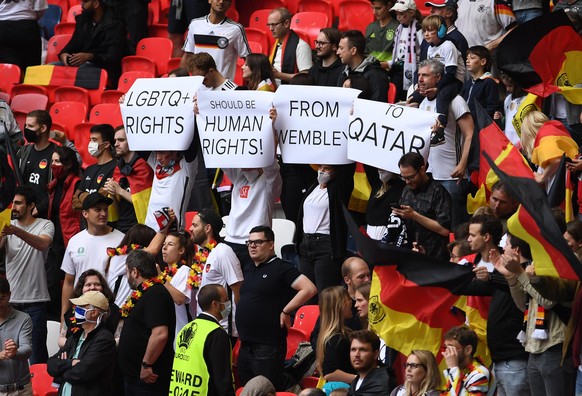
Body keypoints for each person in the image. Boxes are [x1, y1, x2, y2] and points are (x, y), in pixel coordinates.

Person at [236, 225, 317, 390]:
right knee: (248, 391)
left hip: (267, 347)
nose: (252, 246)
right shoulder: (249, 267)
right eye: (249, 242)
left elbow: (309, 288)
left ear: (271, 244)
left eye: (258, 242)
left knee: (267, 390)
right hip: (245, 346)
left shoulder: (281, 267)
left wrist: (286, 310)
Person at [497, 244, 567, 395]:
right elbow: (523, 305)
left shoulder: (550, 265)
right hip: (533, 348)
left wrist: (521, 273)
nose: (503, 248)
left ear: (517, 248)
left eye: (507, 243)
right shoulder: (530, 266)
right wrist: (511, 278)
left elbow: (547, 301)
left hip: (552, 345)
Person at [0, 185, 54, 364]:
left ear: (31, 206)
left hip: (35, 302)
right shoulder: (7, 225)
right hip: (10, 302)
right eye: (13, 203)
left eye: (18, 203)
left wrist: (16, 231)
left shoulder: (45, 224)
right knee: (8, 355)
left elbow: (42, 244)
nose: (13, 207)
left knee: (37, 357)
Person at [118, 249, 176, 395]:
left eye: (127, 271)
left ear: (135, 272)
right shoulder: (144, 293)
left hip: (148, 381)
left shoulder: (155, 294)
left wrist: (146, 364)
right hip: (136, 379)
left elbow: (160, 334)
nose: (126, 276)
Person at [61, 193, 124, 321]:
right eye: (97, 210)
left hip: (110, 312)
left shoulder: (121, 240)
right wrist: (64, 317)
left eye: (105, 209)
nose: (103, 213)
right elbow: (68, 282)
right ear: (85, 214)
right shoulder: (75, 241)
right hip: (80, 311)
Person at [297, 164, 355, 295]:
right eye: (320, 167)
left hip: (325, 246)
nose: (322, 171)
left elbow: (348, 169)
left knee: (326, 293)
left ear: (336, 171)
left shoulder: (339, 188)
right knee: (307, 293)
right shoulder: (313, 187)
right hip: (305, 245)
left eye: (327, 168)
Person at [169, 284, 235, 396]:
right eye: (226, 299)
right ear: (215, 304)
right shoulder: (216, 334)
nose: (229, 303)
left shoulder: (187, 328)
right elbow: (223, 379)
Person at [47, 291, 116, 395]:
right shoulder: (75, 336)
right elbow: (51, 364)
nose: (76, 310)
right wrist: (70, 363)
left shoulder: (105, 339)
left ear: (94, 312)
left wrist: (60, 372)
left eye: (81, 307)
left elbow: (81, 373)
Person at [190, 209, 243, 340]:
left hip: (223, 330)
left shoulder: (223, 252)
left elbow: (238, 289)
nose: (190, 229)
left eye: (195, 225)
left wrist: (239, 324)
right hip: (205, 326)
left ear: (207, 228)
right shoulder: (201, 255)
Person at [18, 110, 80, 218]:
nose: (26, 129)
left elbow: (76, 160)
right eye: (26, 125)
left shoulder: (56, 153)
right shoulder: (24, 151)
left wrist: (65, 141)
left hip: (46, 214)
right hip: (26, 212)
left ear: (43, 128)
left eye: (31, 126)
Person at [394, 152, 452, 260]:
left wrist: (414, 215)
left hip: (435, 258)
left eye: (411, 177)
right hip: (411, 255)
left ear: (422, 169)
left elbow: (444, 230)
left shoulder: (438, 192)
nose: (407, 182)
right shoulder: (406, 190)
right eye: (404, 178)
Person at [46, 146, 81, 321]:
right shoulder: (54, 184)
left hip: (69, 240)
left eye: (57, 161)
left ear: (68, 164)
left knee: (68, 283)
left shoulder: (76, 183)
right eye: (52, 161)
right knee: (52, 284)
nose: (53, 165)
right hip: (55, 242)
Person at [58, 0, 126, 84]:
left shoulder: (115, 25)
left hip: (102, 68)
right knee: (51, 67)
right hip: (82, 64)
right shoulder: (82, 21)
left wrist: (91, 56)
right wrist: (63, 54)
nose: (82, 5)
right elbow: (73, 44)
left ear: (96, 3)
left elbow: (113, 57)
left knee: (81, 69)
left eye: (85, 2)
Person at [181, 0, 250, 81]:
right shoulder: (195, 25)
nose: (221, 2)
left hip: (222, 89)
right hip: (199, 86)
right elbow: (188, 56)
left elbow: (248, 58)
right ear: (209, 0)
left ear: (230, 3)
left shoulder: (236, 29)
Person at [103, 126, 154, 232]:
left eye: (121, 140)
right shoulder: (118, 168)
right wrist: (112, 193)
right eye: (115, 140)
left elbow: (146, 203)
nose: (116, 144)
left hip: (141, 228)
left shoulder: (144, 167)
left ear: (132, 142)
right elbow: (117, 209)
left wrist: (120, 191)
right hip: (121, 226)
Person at [60, 269, 121, 348]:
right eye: (88, 285)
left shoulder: (114, 311)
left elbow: (119, 339)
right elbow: (61, 338)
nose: (92, 288)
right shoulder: (73, 311)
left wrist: (92, 348)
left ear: (103, 288)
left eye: (97, 284)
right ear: (81, 289)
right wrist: (75, 349)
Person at [144, 149, 198, 231]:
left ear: (174, 151)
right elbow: (138, 145)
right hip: (148, 229)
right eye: (156, 153)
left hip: (171, 230)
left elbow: (191, 146)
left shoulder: (186, 166)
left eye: (162, 152)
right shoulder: (156, 164)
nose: (158, 157)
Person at [316, 287, 357, 385]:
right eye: (348, 298)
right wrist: (361, 379)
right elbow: (330, 373)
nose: (352, 302)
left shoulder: (332, 335)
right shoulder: (336, 338)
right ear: (341, 305)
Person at [72, 124, 117, 211]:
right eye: (90, 140)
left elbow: (99, 200)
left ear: (106, 144)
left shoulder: (115, 168)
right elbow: (74, 202)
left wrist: (82, 196)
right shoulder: (89, 169)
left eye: (94, 140)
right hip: (86, 222)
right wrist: (88, 198)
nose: (90, 144)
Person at [161, 229, 197, 337]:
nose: (164, 247)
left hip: (182, 332)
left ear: (181, 250)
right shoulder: (166, 274)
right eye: (164, 244)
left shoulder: (185, 270)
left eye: (170, 244)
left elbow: (180, 299)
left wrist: (160, 279)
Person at [0, 278, 33, 395]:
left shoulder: (23, 318)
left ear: (9, 295)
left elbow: (27, 348)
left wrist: (15, 353)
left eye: (2, 298)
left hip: (22, 389)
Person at [338, 30, 389, 103]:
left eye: (341, 48)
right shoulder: (344, 72)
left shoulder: (376, 75)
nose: (338, 52)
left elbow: (378, 106)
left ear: (353, 51)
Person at [267, 7, 313, 84]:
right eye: (269, 25)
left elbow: (305, 78)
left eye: (274, 24)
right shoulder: (275, 45)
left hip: (291, 92)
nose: (271, 28)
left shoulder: (301, 46)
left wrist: (278, 75)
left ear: (286, 24)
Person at [389, 0, 424, 100]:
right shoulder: (399, 29)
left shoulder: (418, 29)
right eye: (397, 14)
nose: (398, 17)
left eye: (401, 14)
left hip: (413, 68)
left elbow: (424, 48)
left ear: (411, 13)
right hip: (398, 67)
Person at [441, 325, 490, 395]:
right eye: (446, 347)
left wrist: (452, 369)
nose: (446, 353)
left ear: (468, 350)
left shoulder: (480, 375)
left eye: (451, 348)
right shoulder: (461, 370)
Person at [366, 168, 406, 244]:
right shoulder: (377, 183)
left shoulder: (403, 187)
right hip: (369, 233)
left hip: (386, 235)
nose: (380, 169)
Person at [348, 330, 392, 395]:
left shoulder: (383, 381)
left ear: (375, 354)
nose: (356, 355)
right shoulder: (354, 383)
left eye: (363, 350)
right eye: (353, 350)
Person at [365, 0, 399, 69]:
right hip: (371, 69)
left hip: (391, 70)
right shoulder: (370, 27)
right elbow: (366, 53)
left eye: (378, 8)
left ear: (389, 6)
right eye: (373, 8)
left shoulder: (398, 28)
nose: (374, 12)